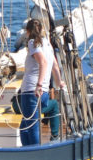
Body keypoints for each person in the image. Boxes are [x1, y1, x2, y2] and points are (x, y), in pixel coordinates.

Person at [17, 18, 65, 146]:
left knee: (32, 125)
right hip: (43, 92)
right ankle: (26, 149)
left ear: (27, 31)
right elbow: (54, 65)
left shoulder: (33, 43)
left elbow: (43, 62)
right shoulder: (47, 44)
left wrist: (38, 84)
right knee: (24, 125)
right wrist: (59, 82)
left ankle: (33, 152)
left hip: (31, 91)